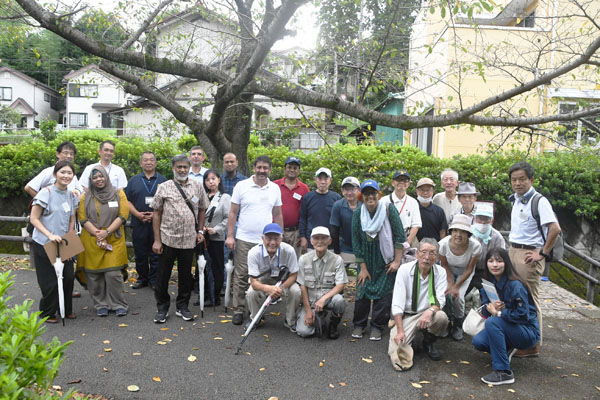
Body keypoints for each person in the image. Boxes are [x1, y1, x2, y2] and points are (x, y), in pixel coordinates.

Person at [508, 161, 560, 357]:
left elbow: (555, 229)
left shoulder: (539, 201)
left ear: (531, 180)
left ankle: (533, 344)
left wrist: (542, 253)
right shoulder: (517, 199)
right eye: (514, 180)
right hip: (514, 251)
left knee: (530, 298)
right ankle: (521, 338)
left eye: (522, 179)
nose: (518, 183)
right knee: (516, 297)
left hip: (529, 255)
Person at [225, 155, 283, 326]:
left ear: (270, 170)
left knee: (262, 277)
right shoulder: (242, 186)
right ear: (254, 168)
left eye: (265, 168)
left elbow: (278, 214)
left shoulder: (274, 189)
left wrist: (280, 236)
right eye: (259, 167)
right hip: (244, 238)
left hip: (267, 242)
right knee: (241, 275)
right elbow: (233, 213)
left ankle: (256, 311)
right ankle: (238, 310)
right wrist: (230, 236)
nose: (262, 171)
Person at [151, 154, 209, 323]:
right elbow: (156, 213)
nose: (182, 170)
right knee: (162, 276)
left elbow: (202, 209)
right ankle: (162, 308)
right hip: (168, 238)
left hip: (189, 239)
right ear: (173, 168)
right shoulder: (164, 187)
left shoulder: (197, 186)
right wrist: (157, 240)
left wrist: (200, 231)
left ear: (189, 168)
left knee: (185, 276)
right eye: (179, 167)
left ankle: (182, 306)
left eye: (185, 167)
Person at [472, 247, 540, 385]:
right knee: (479, 341)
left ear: (506, 263)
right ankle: (506, 348)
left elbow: (523, 316)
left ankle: (503, 372)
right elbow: (485, 311)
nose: (495, 265)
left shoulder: (515, 285)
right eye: (490, 261)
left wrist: (499, 313)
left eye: (499, 261)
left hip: (526, 331)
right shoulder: (487, 283)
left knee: (492, 323)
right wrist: (489, 308)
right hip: (508, 327)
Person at [352, 179, 405, 341]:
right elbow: (356, 241)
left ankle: (377, 326)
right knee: (362, 291)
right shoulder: (357, 213)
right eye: (366, 193)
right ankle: (359, 324)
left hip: (385, 259)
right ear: (361, 196)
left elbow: (400, 237)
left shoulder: (389, 209)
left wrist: (396, 261)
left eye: (373, 193)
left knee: (384, 296)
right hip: (366, 261)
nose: (370, 197)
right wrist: (362, 267)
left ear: (378, 194)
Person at [29, 160, 79, 323]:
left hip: (63, 243)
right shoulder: (46, 192)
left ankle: (65, 309)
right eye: (62, 172)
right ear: (55, 174)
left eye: (69, 173)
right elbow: (34, 218)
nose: (66, 176)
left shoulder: (71, 194)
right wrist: (49, 235)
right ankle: (48, 312)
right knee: (49, 281)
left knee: (68, 277)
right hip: (44, 241)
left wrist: (70, 238)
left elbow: (72, 218)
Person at [388, 238, 448, 371]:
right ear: (417, 254)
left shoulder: (440, 272)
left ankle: (429, 341)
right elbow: (397, 302)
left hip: (427, 313)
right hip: (407, 315)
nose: (427, 257)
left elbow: (441, 299)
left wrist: (430, 311)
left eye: (432, 253)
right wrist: (400, 330)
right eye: (424, 252)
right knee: (395, 350)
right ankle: (407, 334)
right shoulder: (404, 270)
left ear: (437, 257)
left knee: (441, 317)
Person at [78, 166, 129, 317]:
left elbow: (123, 215)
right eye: (95, 178)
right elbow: (82, 217)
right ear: (91, 180)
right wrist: (98, 233)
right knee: (94, 275)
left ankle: (118, 304)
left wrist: (107, 232)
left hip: (114, 238)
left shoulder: (118, 193)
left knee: (113, 273)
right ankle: (101, 304)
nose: (99, 180)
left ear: (106, 177)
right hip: (91, 239)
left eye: (101, 176)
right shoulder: (85, 196)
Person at [245, 223, 301, 332]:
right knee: (251, 292)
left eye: (276, 239)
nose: (272, 242)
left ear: (281, 238)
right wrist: (269, 289)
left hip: (283, 281)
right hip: (262, 280)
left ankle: (290, 321)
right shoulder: (253, 253)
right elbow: (254, 282)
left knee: (296, 291)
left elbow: (294, 275)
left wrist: (281, 288)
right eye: (269, 238)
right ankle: (255, 319)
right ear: (262, 238)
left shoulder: (289, 250)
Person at [296, 226, 348, 339]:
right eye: (316, 238)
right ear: (311, 241)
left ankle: (333, 325)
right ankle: (317, 316)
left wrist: (324, 299)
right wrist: (309, 311)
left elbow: (341, 284)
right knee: (304, 332)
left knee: (339, 301)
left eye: (323, 238)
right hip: (311, 302)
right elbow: (303, 286)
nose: (320, 241)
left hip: (328, 300)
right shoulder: (303, 259)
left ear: (329, 241)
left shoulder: (337, 259)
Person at [125, 152, 167, 290]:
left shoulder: (164, 180)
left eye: (151, 160)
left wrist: (155, 214)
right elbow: (127, 201)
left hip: (158, 223)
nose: (148, 162)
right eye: (145, 160)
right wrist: (138, 214)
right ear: (141, 163)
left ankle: (154, 279)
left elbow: (168, 202)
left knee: (157, 252)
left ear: (155, 163)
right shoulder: (133, 181)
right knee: (140, 252)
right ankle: (142, 278)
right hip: (139, 222)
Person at [438, 214, 482, 341]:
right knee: (445, 294)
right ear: (451, 231)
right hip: (448, 271)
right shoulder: (443, 244)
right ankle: (445, 323)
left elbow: (470, 268)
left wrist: (457, 286)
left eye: (463, 231)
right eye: (455, 230)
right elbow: (444, 264)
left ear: (468, 233)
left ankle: (458, 325)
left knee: (459, 297)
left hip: (465, 272)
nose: (458, 234)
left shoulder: (475, 246)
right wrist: (451, 284)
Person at [200, 169, 231, 307]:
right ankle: (204, 293)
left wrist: (216, 229)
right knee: (202, 266)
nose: (211, 182)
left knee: (216, 266)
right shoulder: (202, 196)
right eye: (207, 179)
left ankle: (215, 295)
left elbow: (228, 218)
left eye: (213, 178)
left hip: (216, 237)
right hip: (202, 236)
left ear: (219, 179)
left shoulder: (225, 197)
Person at [274, 156, 309, 257]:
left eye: (295, 168)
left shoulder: (304, 188)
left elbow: (305, 212)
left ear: (299, 170)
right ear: (285, 169)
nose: (292, 170)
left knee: (294, 262)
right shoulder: (274, 185)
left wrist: (302, 234)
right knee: (277, 261)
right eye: (289, 167)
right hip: (277, 231)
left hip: (295, 233)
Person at [298, 167, 341, 250]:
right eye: (320, 178)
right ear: (315, 180)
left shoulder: (336, 198)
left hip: (330, 243)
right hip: (312, 242)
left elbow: (340, 220)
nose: (323, 182)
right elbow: (302, 219)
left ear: (330, 180)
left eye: (326, 179)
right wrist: (302, 237)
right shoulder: (308, 197)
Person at [468, 202, 506, 294]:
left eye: (486, 219)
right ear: (475, 218)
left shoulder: (497, 237)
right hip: (467, 271)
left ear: (492, 220)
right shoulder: (467, 232)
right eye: (480, 218)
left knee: (491, 295)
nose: (483, 221)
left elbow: (502, 258)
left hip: (488, 272)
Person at [381, 170, 421, 248]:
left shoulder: (413, 202)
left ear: (409, 184)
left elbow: (416, 225)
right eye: (399, 180)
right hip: (388, 238)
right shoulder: (383, 201)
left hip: (407, 238)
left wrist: (407, 243)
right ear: (392, 182)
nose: (402, 182)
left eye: (405, 180)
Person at [330, 176, 361, 267]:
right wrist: (337, 252)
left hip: (362, 250)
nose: (349, 192)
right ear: (342, 191)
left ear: (358, 190)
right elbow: (334, 230)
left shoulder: (364, 205)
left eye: (352, 189)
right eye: (346, 189)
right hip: (345, 249)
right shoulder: (338, 205)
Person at [415, 178, 447, 242]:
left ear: (433, 191)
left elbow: (442, 232)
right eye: (422, 190)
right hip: (416, 247)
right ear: (417, 191)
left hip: (434, 247)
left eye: (428, 190)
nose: (425, 193)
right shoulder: (412, 208)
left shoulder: (439, 211)